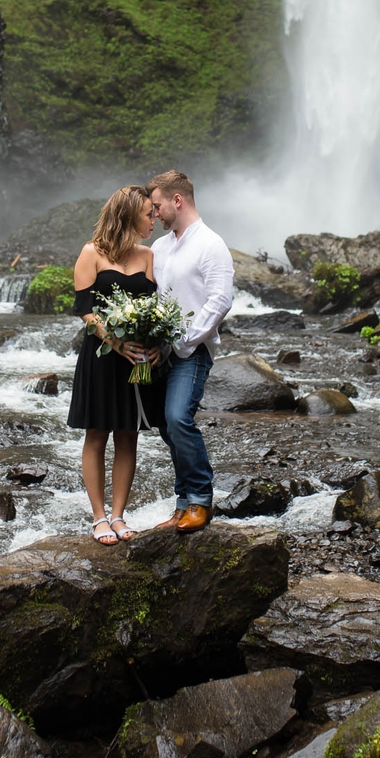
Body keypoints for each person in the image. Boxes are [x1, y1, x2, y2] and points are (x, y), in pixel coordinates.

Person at [68, 185, 164, 544]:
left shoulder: (148, 255)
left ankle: (120, 515)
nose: (153, 218)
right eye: (147, 213)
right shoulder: (91, 253)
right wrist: (115, 341)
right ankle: (98, 518)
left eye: (154, 213)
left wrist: (155, 344)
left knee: (128, 436)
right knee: (97, 434)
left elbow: (156, 308)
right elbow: (85, 311)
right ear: (126, 214)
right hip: (102, 357)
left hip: (136, 359)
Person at [146, 170, 234, 533]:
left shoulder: (211, 244)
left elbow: (221, 300)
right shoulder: (160, 247)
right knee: (166, 424)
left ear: (176, 200)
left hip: (192, 350)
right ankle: (183, 503)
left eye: (157, 206)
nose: (154, 215)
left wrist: (186, 339)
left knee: (179, 418)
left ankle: (200, 499)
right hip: (160, 351)